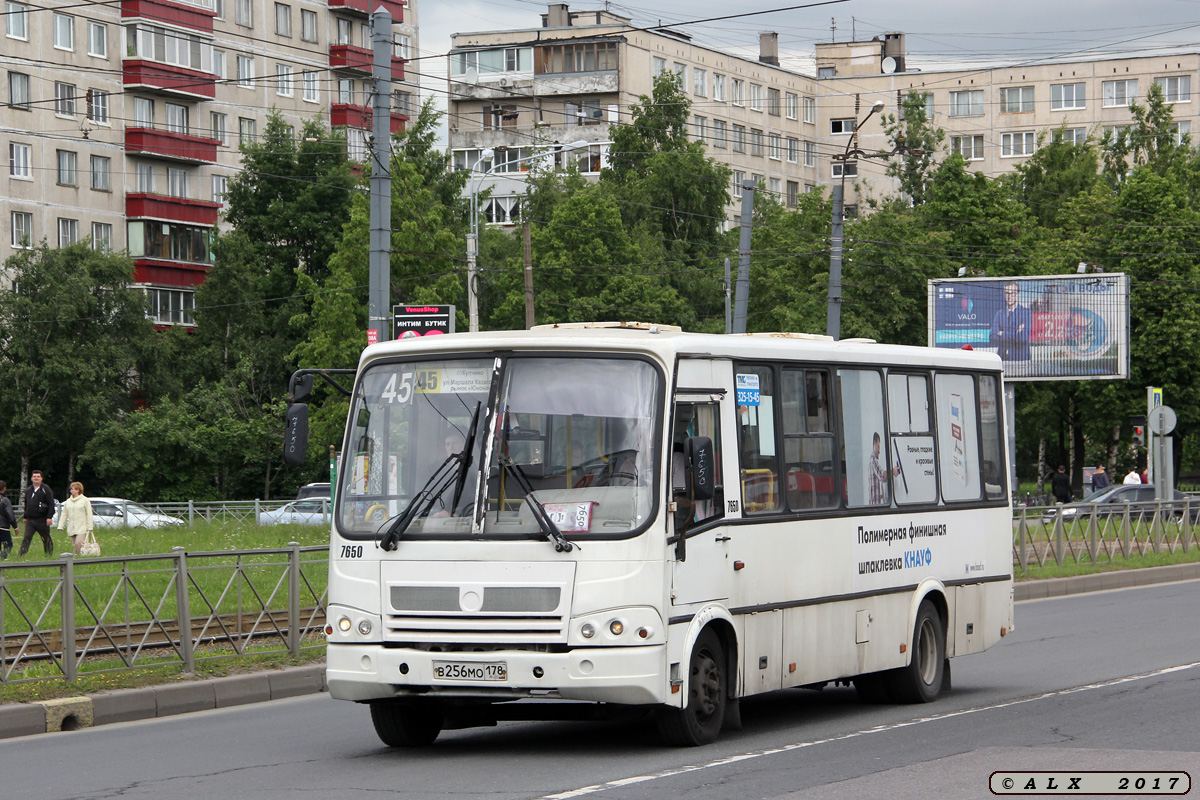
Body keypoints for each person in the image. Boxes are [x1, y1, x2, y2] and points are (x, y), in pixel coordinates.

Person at [989, 282, 1033, 362]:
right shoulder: (999, 314)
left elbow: (1022, 338)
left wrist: (1002, 333)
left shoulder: (1026, 313)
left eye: (1012, 293)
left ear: (1018, 294)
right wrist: (1015, 334)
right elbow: (993, 336)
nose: (1009, 296)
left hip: (1020, 358)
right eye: (1007, 293)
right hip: (1002, 358)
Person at [19, 469, 55, 557]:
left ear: (41, 478)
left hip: (42, 519)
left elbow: (51, 503)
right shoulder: (28, 490)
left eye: (38, 477)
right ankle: (21, 555)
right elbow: (27, 504)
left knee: (46, 538)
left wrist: (49, 517)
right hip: (30, 520)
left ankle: (49, 554)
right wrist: (25, 516)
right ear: (31, 478)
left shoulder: (45, 489)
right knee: (27, 537)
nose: (36, 478)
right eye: (34, 477)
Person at [57, 481, 95, 556]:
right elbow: (64, 514)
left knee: (79, 543)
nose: (71, 491)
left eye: (73, 489)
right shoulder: (68, 501)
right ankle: (77, 558)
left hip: (82, 526)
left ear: (78, 490)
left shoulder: (85, 500)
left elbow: (89, 514)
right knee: (75, 545)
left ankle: (77, 556)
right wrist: (60, 526)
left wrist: (90, 526)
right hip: (72, 526)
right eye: (71, 489)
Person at [869, 432, 900, 505]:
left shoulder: (873, 461)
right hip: (875, 507)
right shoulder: (873, 460)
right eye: (878, 447)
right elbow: (882, 476)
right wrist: (893, 471)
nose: (879, 451)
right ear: (874, 443)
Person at [0, 481, 16, 560]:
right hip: (3, 527)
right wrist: (15, 526)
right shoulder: (5, 500)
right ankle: (2, 558)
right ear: (4, 488)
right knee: (8, 545)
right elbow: (10, 514)